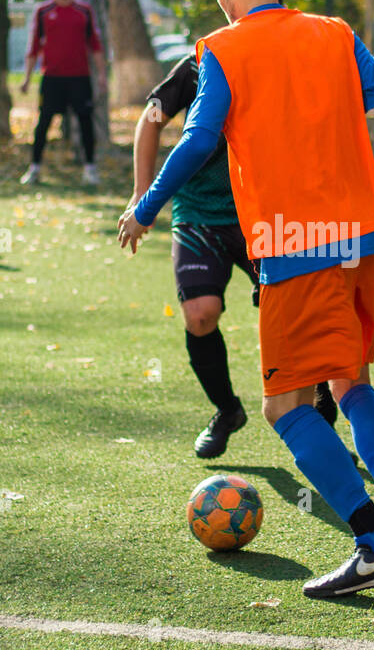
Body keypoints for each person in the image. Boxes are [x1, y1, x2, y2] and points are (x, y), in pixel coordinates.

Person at [118, 0, 374, 599]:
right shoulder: (335, 34)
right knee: (351, 382)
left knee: (284, 407)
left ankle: (373, 546)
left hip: (293, 247)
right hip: (362, 241)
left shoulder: (222, 48)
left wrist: (148, 203)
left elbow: (196, 143)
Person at [127, 48, 339, 459]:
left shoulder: (286, 60)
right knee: (200, 314)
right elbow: (150, 119)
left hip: (264, 214)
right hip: (199, 212)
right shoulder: (198, 64)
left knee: (293, 319)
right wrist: (141, 196)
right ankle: (227, 410)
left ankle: (321, 426)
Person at [20, 0, 107, 186]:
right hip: (52, 78)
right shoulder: (43, 11)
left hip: (79, 78)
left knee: (85, 122)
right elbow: (33, 48)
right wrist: (27, 79)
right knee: (43, 123)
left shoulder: (84, 11)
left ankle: (90, 169)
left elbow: (95, 46)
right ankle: (35, 168)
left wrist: (102, 77)